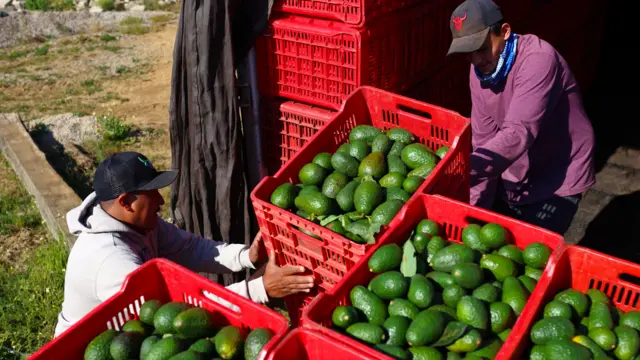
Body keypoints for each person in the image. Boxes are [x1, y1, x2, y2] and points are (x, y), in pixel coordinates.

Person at [54, 152, 315, 337]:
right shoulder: (110, 262)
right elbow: (177, 317)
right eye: (152, 193)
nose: (160, 201)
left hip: (131, 337)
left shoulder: (140, 224)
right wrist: (260, 289)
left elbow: (190, 248)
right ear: (125, 202)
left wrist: (247, 256)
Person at [446, 0, 596, 234]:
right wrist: (473, 214)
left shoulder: (538, 59)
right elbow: (484, 141)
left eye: (482, 48)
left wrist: (463, 169)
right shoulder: (479, 72)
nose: (476, 60)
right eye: (468, 53)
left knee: (534, 254)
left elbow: (518, 132)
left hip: (559, 171)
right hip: (515, 170)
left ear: (505, 32)